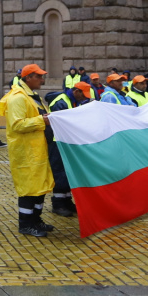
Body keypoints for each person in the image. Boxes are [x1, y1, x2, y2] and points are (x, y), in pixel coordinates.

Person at [5, 64, 56, 237]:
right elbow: (17, 124)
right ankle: (25, 223)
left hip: (38, 149)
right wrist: (43, 120)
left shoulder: (33, 96)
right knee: (29, 188)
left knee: (39, 186)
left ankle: (36, 220)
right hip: (26, 152)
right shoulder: (18, 98)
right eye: (39, 76)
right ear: (28, 78)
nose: (42, 80)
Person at [46, 81, 91, 217]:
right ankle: (58, 204)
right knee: (59, 171)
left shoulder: (74, 101)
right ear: (76, 91)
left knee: (67, 172)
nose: (84, 98)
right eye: (83, 95)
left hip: (67, 141)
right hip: (57, 142)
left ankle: (66, 200)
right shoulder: (61, 102)